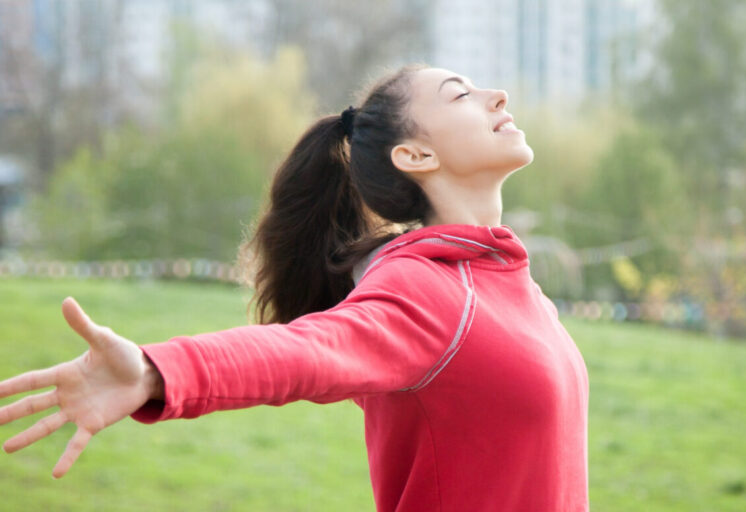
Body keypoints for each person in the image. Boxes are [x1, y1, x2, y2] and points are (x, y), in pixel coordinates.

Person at [0, 64, 589, 511]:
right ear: (415, 154)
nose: (496, 96)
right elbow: (304, 349)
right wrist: (158, 371)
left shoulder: (512, 287)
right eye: (462, 94)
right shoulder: (427, 290)